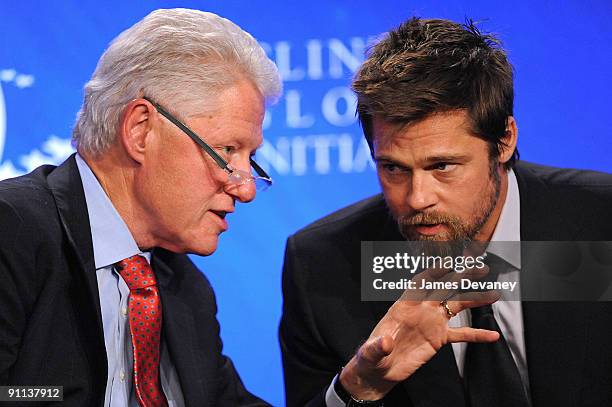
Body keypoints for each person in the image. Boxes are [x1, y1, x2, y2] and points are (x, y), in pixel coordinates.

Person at [280, 17, 612, 407]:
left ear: (503, 141)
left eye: (442, 166)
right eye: (393, 168)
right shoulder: (324, 263)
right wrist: (361, 386)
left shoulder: (600, 219)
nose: (418, 199)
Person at [0, 8, 281, 406]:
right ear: (141, 131)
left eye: (249, 158)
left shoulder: (185, 289)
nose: (246, 189)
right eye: (227, 151)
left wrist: (355, 388)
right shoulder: (12, 231)